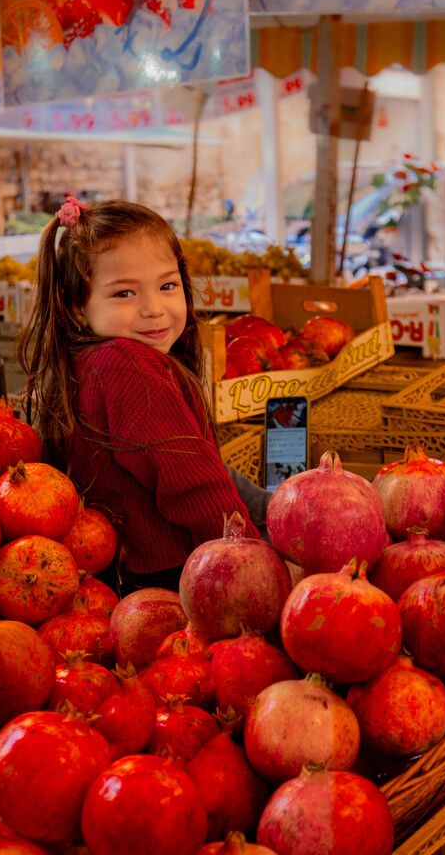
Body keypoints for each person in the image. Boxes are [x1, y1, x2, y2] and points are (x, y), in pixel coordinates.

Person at [19, 195, 269, 594]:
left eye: (167, 286)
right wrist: (253, 566)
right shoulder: (127, 364)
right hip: (177, 578)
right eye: (124, 294)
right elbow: (195, 486)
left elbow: (199, 464)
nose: (154, 308)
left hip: (127, 582)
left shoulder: (86, 363)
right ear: (77, 307)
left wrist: (272, 506)